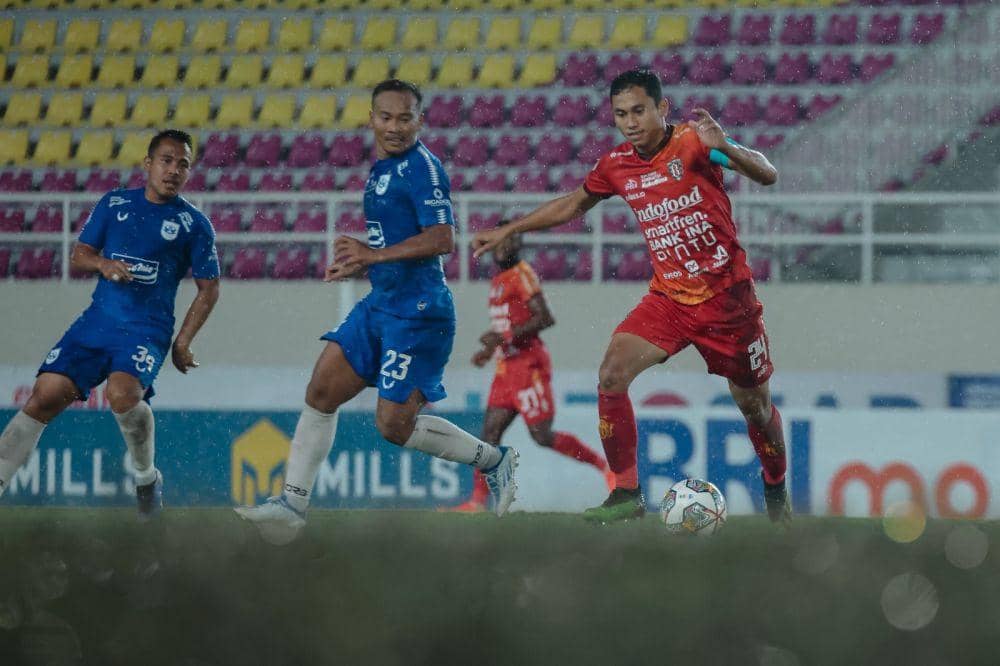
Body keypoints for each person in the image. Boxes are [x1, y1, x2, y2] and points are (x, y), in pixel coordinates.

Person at [472, 69, 789, 526]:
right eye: (621, 114)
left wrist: (730, 145)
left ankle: (776, 489)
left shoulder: (695, 142)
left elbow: (768, 174)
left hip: (728, 304)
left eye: (639, 111)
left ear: (662, 108)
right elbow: (573, 203)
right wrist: (511, 227)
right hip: (669, 301)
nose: (631, 122)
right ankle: (626, 491)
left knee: (756, 408)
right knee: (612, 374)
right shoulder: (616, 165)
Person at [235, 79, 518, 543]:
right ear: (371, 119)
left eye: (404, 118)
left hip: (419, 313)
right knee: (321, 390)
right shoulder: (384, 168)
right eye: (385, 117)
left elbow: (442, 239)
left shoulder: (423, 169)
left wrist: (371, 256)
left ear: (419, 121)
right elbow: (392, 244)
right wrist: (363, 263)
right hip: (383, 303)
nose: (394, 126)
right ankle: (292, 505)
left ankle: (495, 461)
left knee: (392, 426)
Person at [0, 129, 220, 519]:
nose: (173, 170)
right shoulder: (114, 203)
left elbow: (209, 289)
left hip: (146, 329)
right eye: (167, 161)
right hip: (96, 322)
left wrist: (182, 341)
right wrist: (102, 264)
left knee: (122, 394)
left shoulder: (194, 224)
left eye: (183, 164)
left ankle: (145, 477)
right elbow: (80, 254)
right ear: (148, 164)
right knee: (44, 394)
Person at [450, 219, 613, 512]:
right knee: (489, 436)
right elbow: (507, 324)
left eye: (508, 240)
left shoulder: (521, 274)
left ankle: (604, 467)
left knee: (541, 436)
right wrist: (489, 352)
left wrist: (505, 336)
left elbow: (545, 318)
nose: (503, 247)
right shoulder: (498, 280)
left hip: (529, 366)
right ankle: (476, 501)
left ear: (517, 243)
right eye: (499, 241)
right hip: (505, 369)